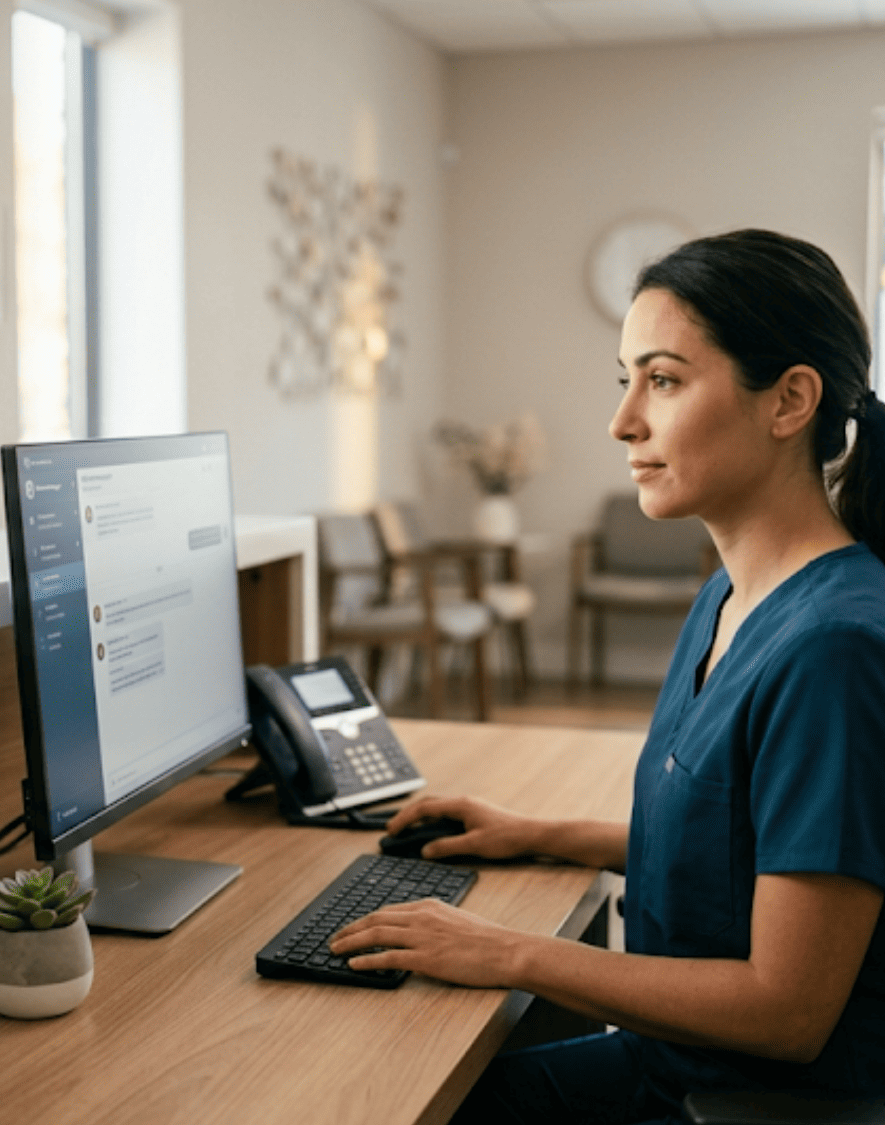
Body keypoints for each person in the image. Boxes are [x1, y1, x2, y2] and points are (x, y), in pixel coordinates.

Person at [330, 229, 885, 1121]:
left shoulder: (836, 649)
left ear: (789, 401)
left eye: (662, 380)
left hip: (738, 1097)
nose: (624, 420)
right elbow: (744, 846)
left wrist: (507, 950)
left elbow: (789, 1012)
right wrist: (537, 831)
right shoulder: (727, 600)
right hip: (672, 1064)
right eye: (625, 379)